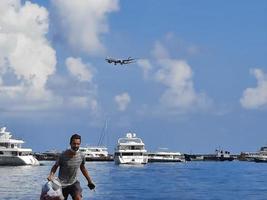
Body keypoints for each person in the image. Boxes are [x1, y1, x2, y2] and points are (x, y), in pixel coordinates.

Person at [47, 134, 95, 200]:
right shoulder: (62, 155)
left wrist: (89, 181)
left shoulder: (82, 156)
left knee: (78, 198)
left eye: (78, 144)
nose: (76, 146)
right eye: (74, 143)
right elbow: (55, 166)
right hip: (61, 184)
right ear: (70, 143)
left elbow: (83, 168)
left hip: (74, 183)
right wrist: (51, 175)